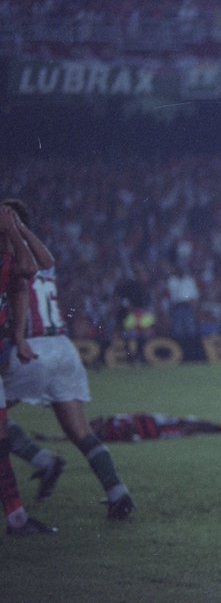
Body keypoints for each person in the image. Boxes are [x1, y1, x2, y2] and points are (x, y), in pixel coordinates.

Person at [0, 199, 134, 520]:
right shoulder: (40, 255)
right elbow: (45, 261)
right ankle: (117, 491)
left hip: (31, 349)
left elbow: (23, 276)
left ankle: (42, 460)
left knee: (1, 422)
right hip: (63, 348)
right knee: (81, 431)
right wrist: (21, 228)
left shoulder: (11, 259)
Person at [0, 202, 57, 534]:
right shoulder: (7, 263)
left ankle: (17, 519)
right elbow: (33, 266)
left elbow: (41, 265)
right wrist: (14, 230)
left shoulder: (8, 263)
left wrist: (16, 229)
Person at [25, 411, 221, 443]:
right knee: (205, 426)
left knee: (203, 424)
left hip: (160, 420)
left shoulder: (110, 423)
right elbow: (134, 435)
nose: (96, 420)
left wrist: (49, 437)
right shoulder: (112, 432)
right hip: (163, 430)